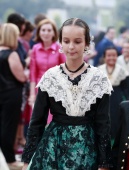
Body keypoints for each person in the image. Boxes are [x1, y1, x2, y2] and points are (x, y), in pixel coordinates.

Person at [22, 18, 113, 170]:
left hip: (87, 149)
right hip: (53, 149)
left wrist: (104, 163)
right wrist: (26, 160)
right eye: (66, 41)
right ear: (61, 43)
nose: (71, 46)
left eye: (77, 41)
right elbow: (37, 121)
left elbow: (103, 123)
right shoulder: (50, 77)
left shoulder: (99, 78)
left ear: (86, 43)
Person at [0, 23, 27, 170]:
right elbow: (21, 77)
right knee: (8, 127)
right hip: (11, 94)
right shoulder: (12, 54)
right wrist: (26, 75)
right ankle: (9, 159)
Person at [28, 19, 66, 123]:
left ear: (54, 32)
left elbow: (65, 70)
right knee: (38, 121)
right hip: (39, 89)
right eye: (43, 30)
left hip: (56, 89)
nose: (46, 33)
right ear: (39, 32)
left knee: (52, 121)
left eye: (49, 30)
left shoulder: (59, 48)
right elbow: (32, 73)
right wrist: (32, 94)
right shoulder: (35, 49)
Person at [98, 47, 129, 141]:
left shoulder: (122, 70)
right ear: (104, 57)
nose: (111, 57)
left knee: (116, 119)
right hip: (102, 98)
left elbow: (125, 88)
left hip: (117, 98)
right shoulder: (99, 70)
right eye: (109, 55)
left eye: (114, 55)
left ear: (117, 56)